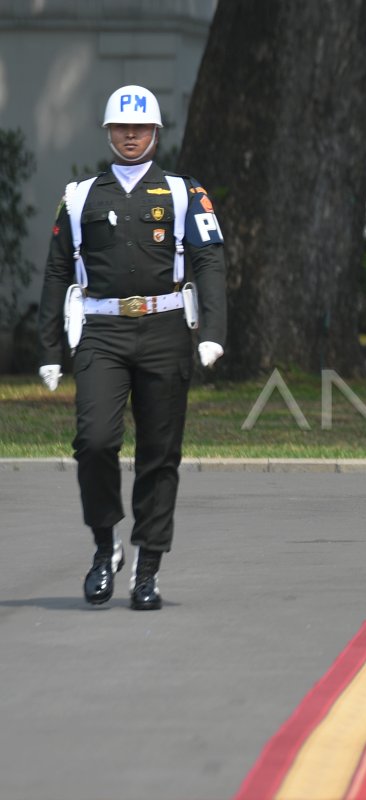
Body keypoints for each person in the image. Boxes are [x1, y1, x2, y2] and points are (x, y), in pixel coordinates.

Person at [37, 85, 228, 610]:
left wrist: (213, 332)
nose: (130, 136)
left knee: (159, 453)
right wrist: (50, 346)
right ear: (108, 132)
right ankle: (105, 547)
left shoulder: (185, 193)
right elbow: (57, 269)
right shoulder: (80, 196)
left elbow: (210, 260)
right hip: (101, 331)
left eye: (139, 128)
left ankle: (148, 569)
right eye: (121, 127)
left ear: (155, 133)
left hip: (165, 329)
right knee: (95, 441)